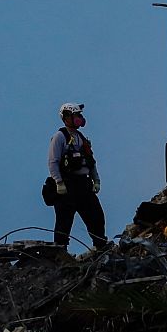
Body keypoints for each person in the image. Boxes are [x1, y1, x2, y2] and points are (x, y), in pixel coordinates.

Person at [47, 102, 108, 250]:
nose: (80, 118)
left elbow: (91, 162)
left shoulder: (81, 138)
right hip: (67, 187)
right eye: (77, 115)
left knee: (96, 217)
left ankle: (100, 247)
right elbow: (53, 162)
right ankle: (60, 252)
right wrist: (59, 182)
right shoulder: (59, 137)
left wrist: (96, 180)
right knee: (64, 222)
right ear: (67, 117)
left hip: (83, 185)